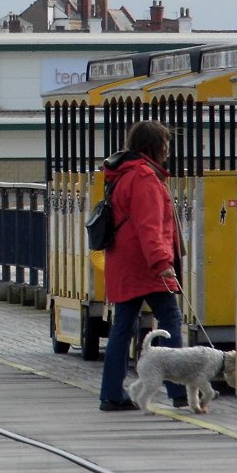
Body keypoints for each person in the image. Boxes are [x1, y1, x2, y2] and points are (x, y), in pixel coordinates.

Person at [98, 119, 188, 412]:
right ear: (157, 146)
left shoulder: (123, 174)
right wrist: (163, 263)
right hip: (145, 264)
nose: (168, 149)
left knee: (123, 326)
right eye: (166, 143)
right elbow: (149, 226)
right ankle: (177, 388)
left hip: (124, 261)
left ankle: (111, 393)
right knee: (171, 320)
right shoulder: (145, 178)